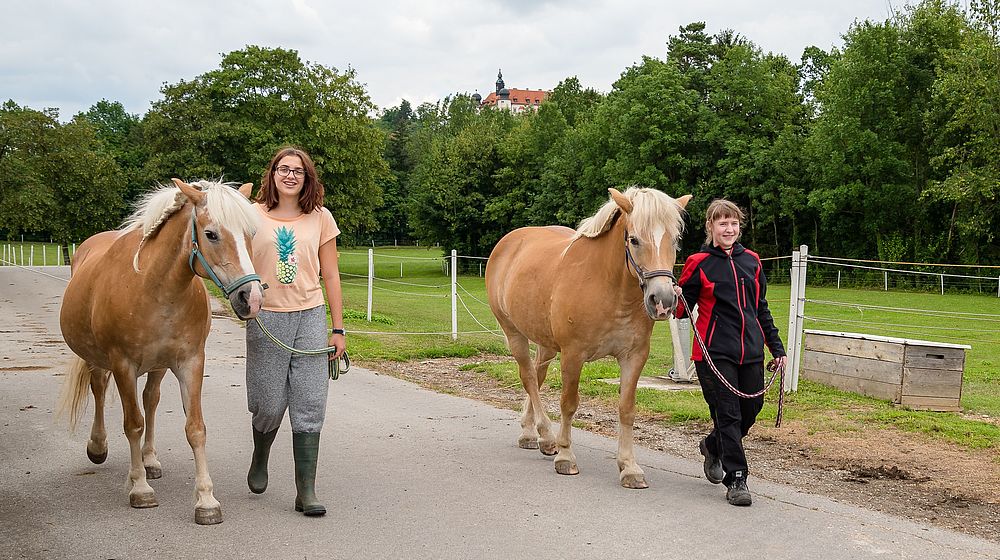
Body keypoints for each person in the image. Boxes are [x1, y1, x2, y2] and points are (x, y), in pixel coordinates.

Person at [244, 146, 346, 516]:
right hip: (266, 317)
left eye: (298, 172)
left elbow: (331, 274)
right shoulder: (251, 215)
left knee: (310, 403)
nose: (290, 175)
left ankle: (306, 491)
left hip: (310, 315)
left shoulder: (320, 218)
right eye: (283, 169)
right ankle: (261, 454)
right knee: (268, 404)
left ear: (307, 179)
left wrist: (338, 329)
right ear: (271, 174)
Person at [674, 199, 786, 506]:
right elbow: (682, 311)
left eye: (733, 223)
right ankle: (737, 479)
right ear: (710, 227)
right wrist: (676, 298)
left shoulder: (752, 260)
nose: (729, 228)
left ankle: (713, 445)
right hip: (713, 353)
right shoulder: (699, 262)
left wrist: (777, 349)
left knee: (751, 410)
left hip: (750, 351)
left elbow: (760, 309)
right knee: (728, 413)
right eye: (722, 223)